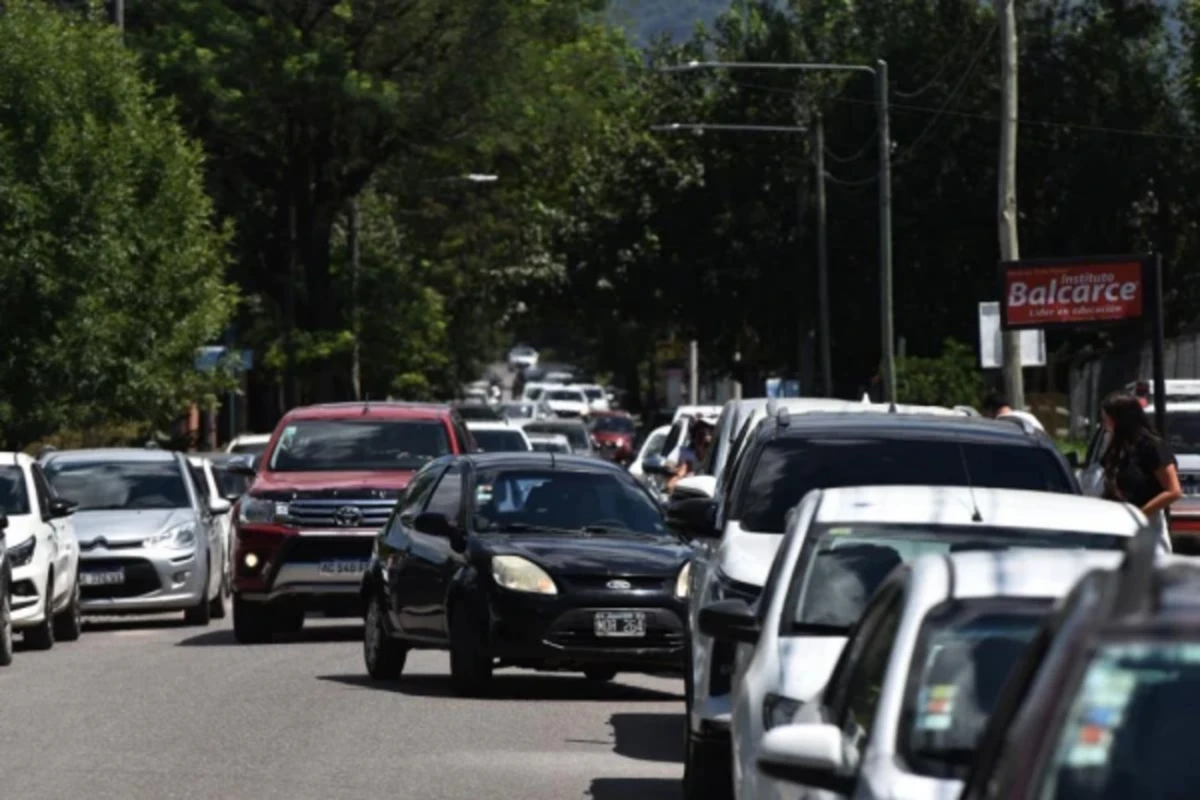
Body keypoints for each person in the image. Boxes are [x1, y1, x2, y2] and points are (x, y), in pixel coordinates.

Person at [1100, 392, 1182, 548]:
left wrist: (1139, 515)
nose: (1104, 423)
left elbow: (1173, 491)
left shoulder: (1151, 446)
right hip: (1117, 526)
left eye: (1106, 418)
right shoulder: (1116, 446)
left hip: (1147, 528)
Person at [666, 417, 714, 494]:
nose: (704, 439)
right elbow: (668, 467)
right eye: (700, 436)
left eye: (710, 433)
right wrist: (679, 471)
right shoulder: (683, 452)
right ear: (694, 437)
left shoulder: (716, 459)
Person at [981, 391, 1045, 432]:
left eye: (985, 415)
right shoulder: (1029, 416)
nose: (985, 418)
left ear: (990, 409)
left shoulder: (1000, 423)